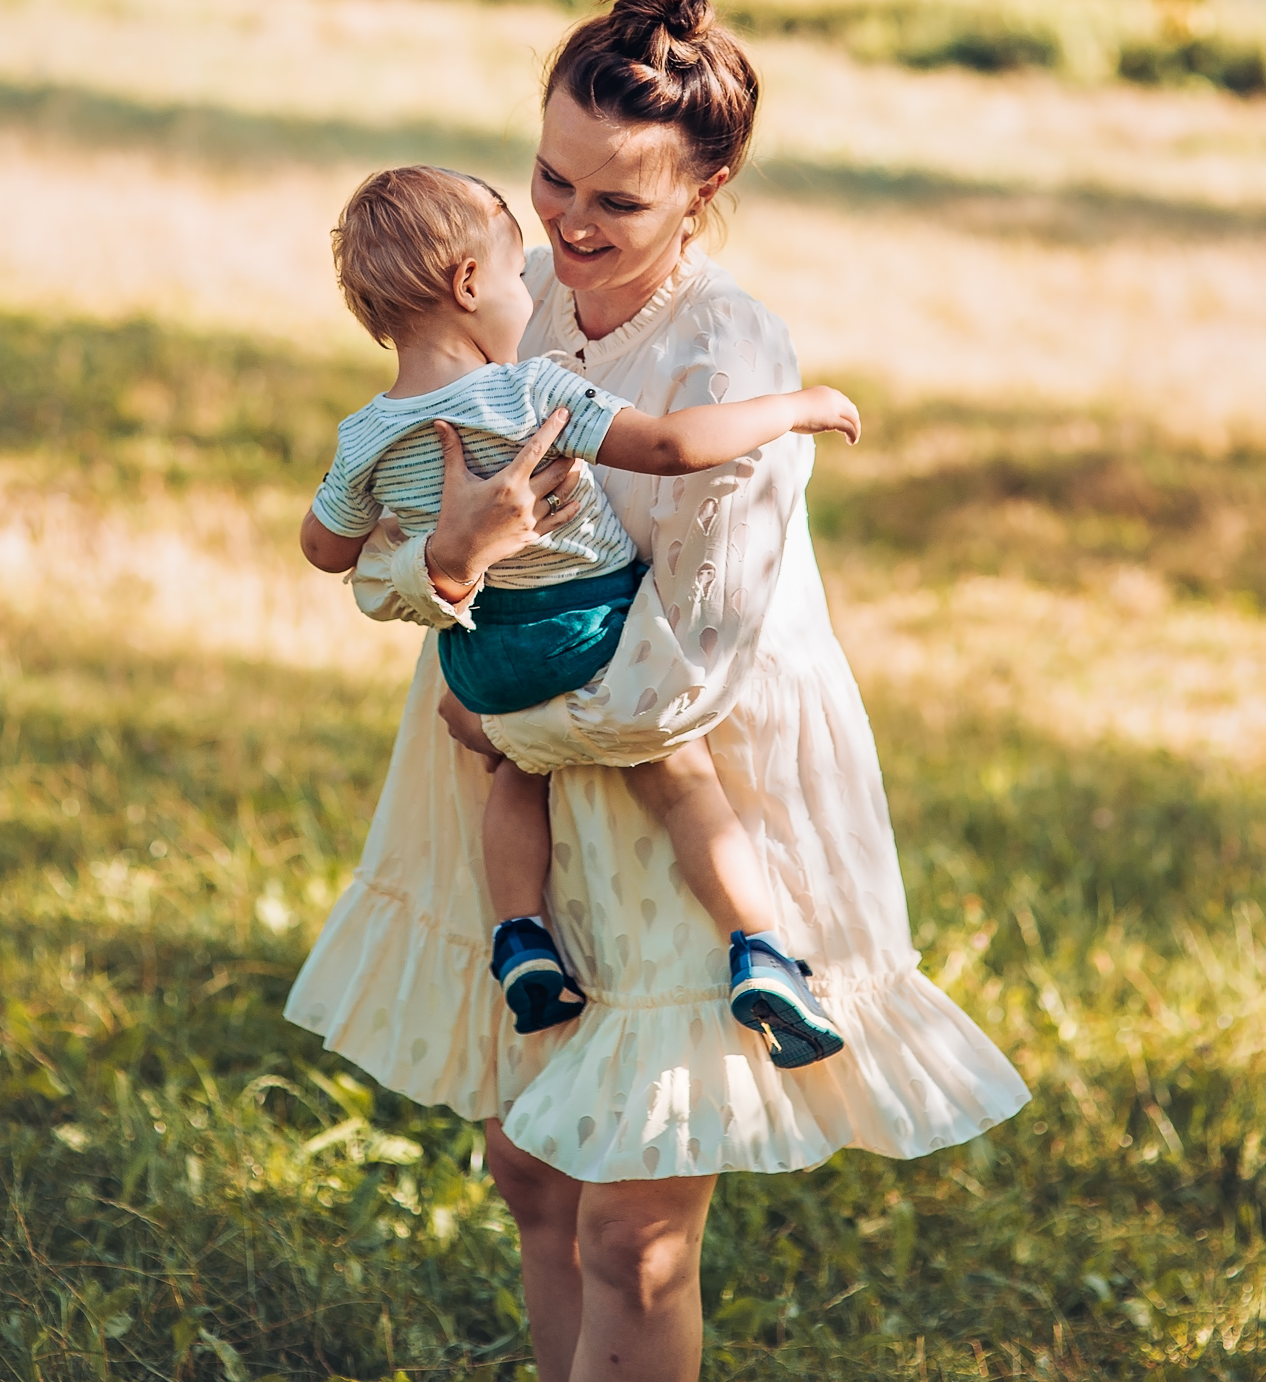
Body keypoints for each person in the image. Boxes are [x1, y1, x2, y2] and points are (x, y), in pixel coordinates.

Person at [286, 0, 1028, 1382]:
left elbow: (693, 658)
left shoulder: (724, 352)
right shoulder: (494, 290)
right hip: (504, 761)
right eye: (549, 177)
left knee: (632, 1217)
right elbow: (380, 537)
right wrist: (440, 562)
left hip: (671, 780)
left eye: (613, 204)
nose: (566, 227)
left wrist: (506, 721)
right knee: (532, 1171)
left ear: (706, 187)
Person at [300, 161, 861, 1064]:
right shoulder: (532, 389)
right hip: (590, 631)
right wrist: (798, 406)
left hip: (480, 658)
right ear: (470, 284)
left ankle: (520, 935)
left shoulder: (362, 435)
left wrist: (428, 535)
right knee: (678, 778)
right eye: (511, 262)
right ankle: (758, 950)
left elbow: (325, 549)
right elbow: (673, 446)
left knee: (515, 773)